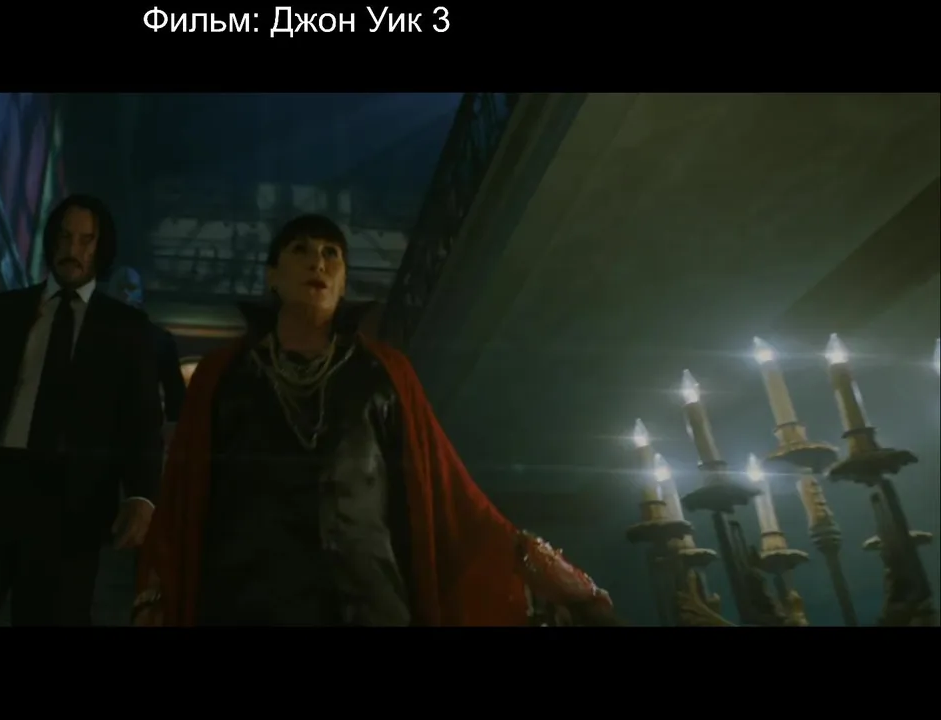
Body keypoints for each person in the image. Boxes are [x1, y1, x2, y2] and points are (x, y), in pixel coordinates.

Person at [134, 214, 619, 626]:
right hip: (247, 604)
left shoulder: (385, 372)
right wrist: (155, 594)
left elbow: (450, 494)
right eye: (301, 251)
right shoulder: (222, 375)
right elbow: (182, 496)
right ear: (272, 276)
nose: (318, 262)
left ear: (344, 282)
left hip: (367, 603)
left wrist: (541, 567)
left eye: (331, 254)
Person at [0, 193, 163, 626]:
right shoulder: (3, 310)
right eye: (63, 237)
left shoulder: (126, 329)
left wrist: (141, 494)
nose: (72, 249)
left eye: (85, 240)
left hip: (71, 500)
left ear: (100, 249)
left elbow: (141, 419)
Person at [112, 265, 187, 424]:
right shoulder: (90, 332)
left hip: (142, 427)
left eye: (131, 288)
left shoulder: (160, 339)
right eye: (120, 288)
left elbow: (175, 393)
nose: (125, 293)